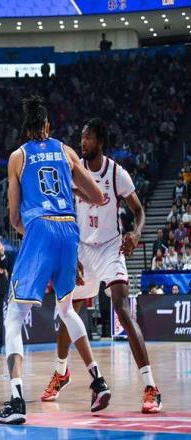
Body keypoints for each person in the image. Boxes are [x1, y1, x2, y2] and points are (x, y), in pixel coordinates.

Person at [0, 97, 109, 425]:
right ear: (47, 126)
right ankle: (98, 381)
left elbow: (14, 218)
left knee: (13, 316)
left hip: (40, 229)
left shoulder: (18, 157)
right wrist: (71, 192)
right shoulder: (66, 151)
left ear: (26, 127)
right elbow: (98, 196)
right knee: (67, 309)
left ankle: (17, 400)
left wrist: (35, 231)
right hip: (69, 231)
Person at [40, 118, 162, 413]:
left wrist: (135, 233)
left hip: (109, 248)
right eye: (82, 137)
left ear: (101, 141)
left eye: (89, 137)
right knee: (68, 311)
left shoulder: (117, 173)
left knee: (122, 307)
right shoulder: (73, 171)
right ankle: (61, 372)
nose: (83, 142)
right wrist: (70, 253)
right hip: (82, 249)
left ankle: (150, 387)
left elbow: (138, 210)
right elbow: (66, 213)